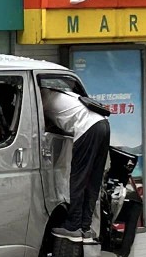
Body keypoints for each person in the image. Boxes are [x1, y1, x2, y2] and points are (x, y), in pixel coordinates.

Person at [40, 86, 111, 242]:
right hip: (103, 124)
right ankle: (85, 227)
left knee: (78, 178)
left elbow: (39, 126)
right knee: (93, 179)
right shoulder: (63, 95)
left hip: (87, 128)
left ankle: (73, 226)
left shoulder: (42, 100)